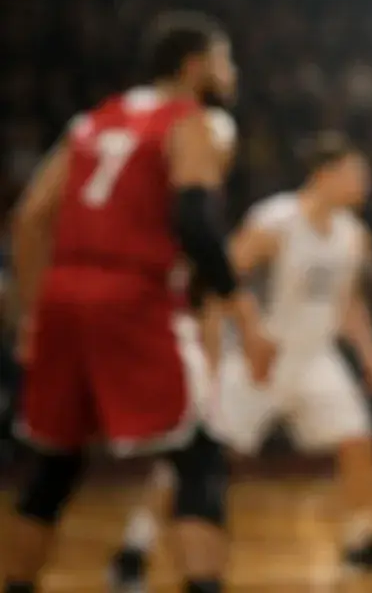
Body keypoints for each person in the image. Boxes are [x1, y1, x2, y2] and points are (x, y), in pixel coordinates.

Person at [3, 11, 276, 593]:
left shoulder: (91, 123)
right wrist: (243, 314)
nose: (232, 72)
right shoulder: (193, 123)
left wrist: (30, 312)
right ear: (194, 66)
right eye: (224, 59)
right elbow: (196, 223)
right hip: (135, 298)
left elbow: (29, 218)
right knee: (198, 456)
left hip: (61, 299)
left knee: (54, 465)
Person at [206, 132, 372, 575]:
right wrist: (244, 339)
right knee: (205, 452)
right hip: (262, 354)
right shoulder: (274, 221)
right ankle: (137, 542)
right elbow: (223, 280)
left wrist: (370, 352)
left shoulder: (353, 235)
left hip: (315, 356)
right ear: (325, 175)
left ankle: (361, 540)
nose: (364, 185)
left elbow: (348, 301)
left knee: (359, 442)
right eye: (356, 175)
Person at [109, 108, 238, 593]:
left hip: (156, 326)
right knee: (194, 454)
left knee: (181, 455)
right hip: (168, 332)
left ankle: (133, 550)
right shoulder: (187, 204)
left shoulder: (152, 199)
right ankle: (155, 558)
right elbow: (212, 287)